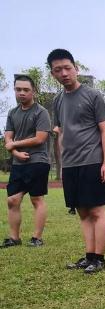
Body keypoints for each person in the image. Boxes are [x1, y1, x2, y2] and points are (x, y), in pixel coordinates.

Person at [49, 48, 105, 274]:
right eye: (58, 70)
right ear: (53, 74)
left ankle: (100, 258)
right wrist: (62, 163)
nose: (64, 73)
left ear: (76, 68)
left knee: (96, 211)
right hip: (71, 164)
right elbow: (62, 134)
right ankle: (89, 256)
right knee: (82, 212)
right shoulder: (57, 101)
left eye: (67, 68)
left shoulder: (93, 95)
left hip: (92, 161)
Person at [2, 75, 51, 248]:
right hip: (18, 163)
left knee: (36, 199)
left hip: (38, 161)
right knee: (12, 200)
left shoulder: (41, 112)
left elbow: (40, 138)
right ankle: (14, 238)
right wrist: (15, 152)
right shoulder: (12, 113)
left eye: (26, 90)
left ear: (34, 92)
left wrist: (14, 144)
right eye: (18, 89)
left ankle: (37, 238)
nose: (21, 93)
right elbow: (7, 138)